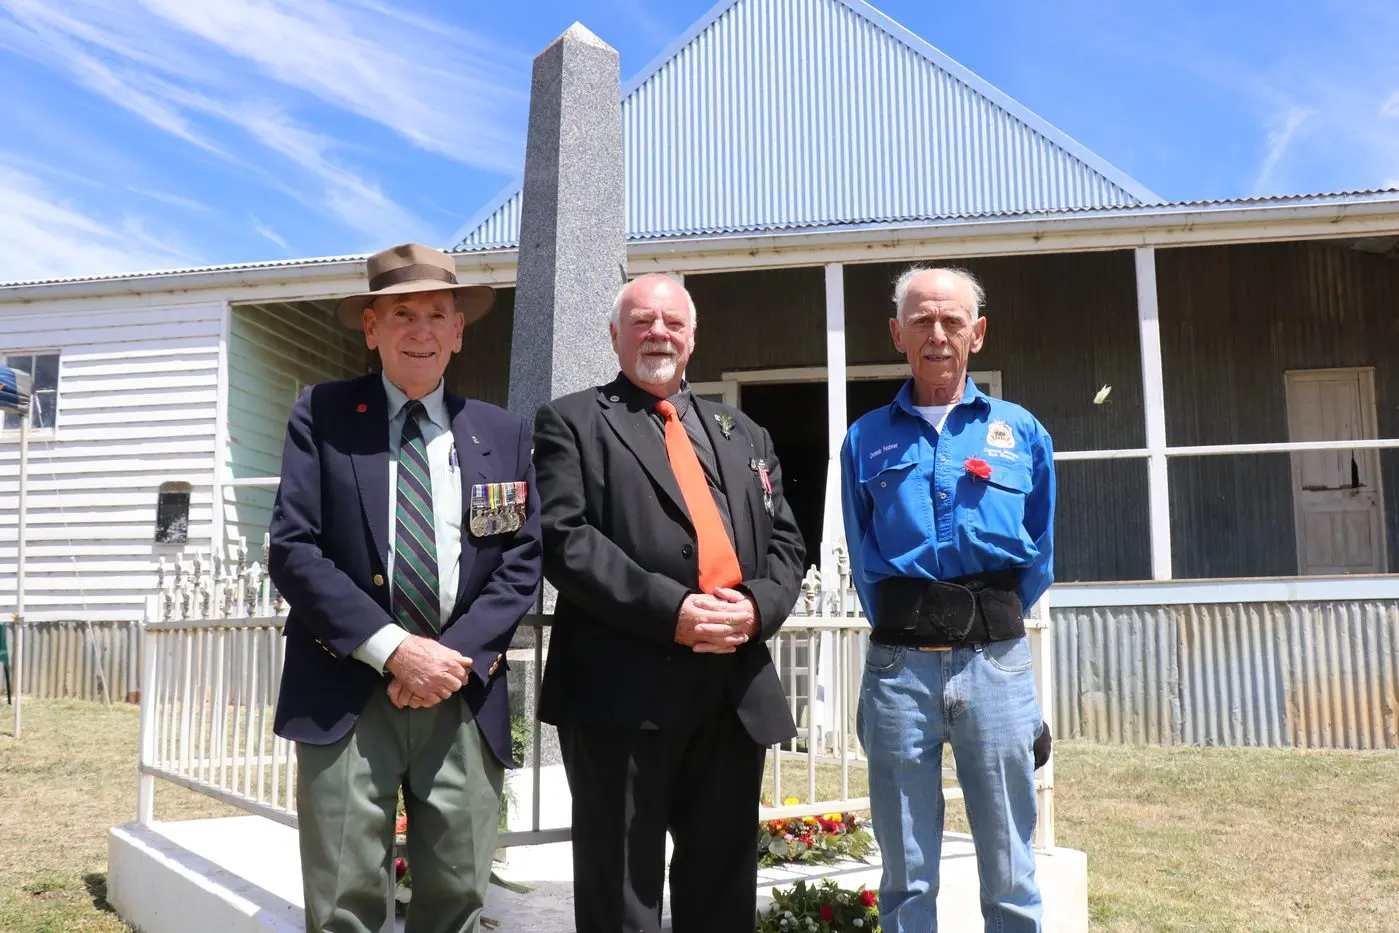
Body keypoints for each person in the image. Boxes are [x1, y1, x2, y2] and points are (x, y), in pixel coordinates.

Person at [268, 242, 543, 933]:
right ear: (371, 327)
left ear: (458, 329)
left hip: (462, 689)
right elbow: (294, 549)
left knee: (455, 892)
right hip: (346, 685)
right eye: (401, 314)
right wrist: (396, 651)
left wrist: (449, 659)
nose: (419, 331)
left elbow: (520, 559)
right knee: (343, 900)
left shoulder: (501, 433)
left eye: (435, 315)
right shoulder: (321, 416)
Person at [532, 273, 806, 933]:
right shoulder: (569, 420)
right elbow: (564, 541)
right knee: (620, 892)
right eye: (641, 320)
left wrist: (754, 608)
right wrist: (673, 611)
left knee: (722, 886)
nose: (658, 332)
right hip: (620, 693)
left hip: (730, 689)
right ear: (614, 335)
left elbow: (788, 545)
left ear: (691, 335)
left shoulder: (743, 432)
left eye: (671, 322)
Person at [840, 266, 1056, 933]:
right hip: (897, 671)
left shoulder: (1020, 431)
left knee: (1011, 867)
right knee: (905, 872)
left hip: (996, 663)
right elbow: (862, 553)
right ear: (895, 333)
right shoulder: (864, 438)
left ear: (978, 333)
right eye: (921, 321)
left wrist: (985, 622)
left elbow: (1039, 550)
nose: (937, 334)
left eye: (952, 321)